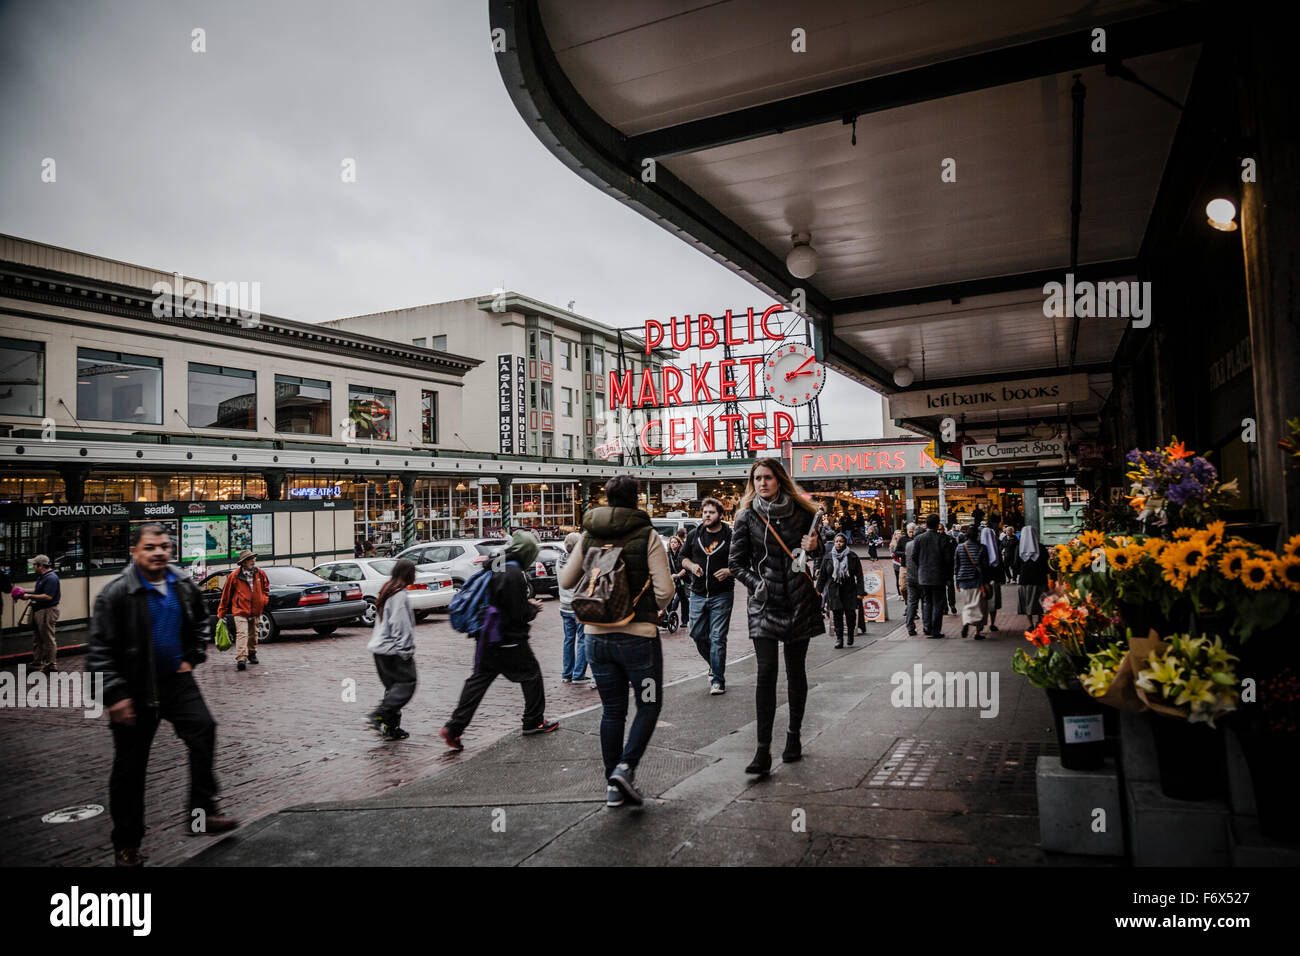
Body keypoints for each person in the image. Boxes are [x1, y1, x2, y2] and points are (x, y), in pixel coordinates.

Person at [87, 523, 238, 867]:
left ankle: (202, 814)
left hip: (175, 682)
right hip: (133, 689)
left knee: (204, 729)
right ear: (135, 552)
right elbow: (98, 651)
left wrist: (192, 656)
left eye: (164, 547)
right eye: (150, 547)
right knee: (130, 769)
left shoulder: (182, 584)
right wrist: (114, 695)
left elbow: (200, 624)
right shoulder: (116, 593)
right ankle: (127, 845)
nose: (159, 553)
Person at [558, 476, 673, 807]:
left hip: (596, 639)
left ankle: (612, 785)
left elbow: (567, 580)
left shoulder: (589, 534)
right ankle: (626, 767)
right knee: (648, 703)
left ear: (606, 499)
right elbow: (665, 592)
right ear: (636, 499)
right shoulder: (647, 535)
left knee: (612, 710)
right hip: (639, 640)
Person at [729, 457, 824, 775]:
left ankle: (794, 737)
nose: (762, 483)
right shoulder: (746, 517)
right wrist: (758, 586)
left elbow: (817, 553)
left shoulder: (803, 513)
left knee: (796, 671)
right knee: (766, 672)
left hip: (798, 600)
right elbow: (737, 563)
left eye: (768, 477)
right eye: (757, 478)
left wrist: (815, 546)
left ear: (779, 480)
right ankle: (762, 751)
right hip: (764, 605)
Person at [441, 530, 559, 751]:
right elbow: (516, 612)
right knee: (531, 675)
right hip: (508, 637)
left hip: (487, 635)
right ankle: (534, 721)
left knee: (478, 681)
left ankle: (454, 728)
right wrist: (532, 608)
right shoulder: (512, 572)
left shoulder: (496, 565)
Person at [681, 497, 734, 695]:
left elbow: (743, 561)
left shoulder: (730, 536)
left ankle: (718, 680)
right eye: (704, 512)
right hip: (697, 594)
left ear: (720, 515)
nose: (707, 516)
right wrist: (692, 565)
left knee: (718, 637)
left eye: (711, 513)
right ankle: (713, 663)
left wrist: (729, 571)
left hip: (722, 594)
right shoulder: (695, 535)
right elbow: (682, 557)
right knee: (696, 633)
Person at [365, 558, 418, 740]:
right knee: (406, 685)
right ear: (408, 574)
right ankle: (380, 714)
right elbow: (400, 624)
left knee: (393, 688)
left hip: (379, 649)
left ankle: (391, 727)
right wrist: (406, 650)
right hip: (393, 650)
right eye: (414, 572)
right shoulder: (399, 595)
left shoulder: (387, 589)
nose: (416, 575)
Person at [216, 549, 269, 672]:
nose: (253, 561)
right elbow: (226, 595)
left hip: (255, 610)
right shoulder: (234, 576)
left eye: (253, 558)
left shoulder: (260, 573)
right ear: (244, 562)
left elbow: (266, 588)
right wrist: (221, 612)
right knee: (242, 634)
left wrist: (263, 600)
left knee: (253, 635)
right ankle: (241, 658)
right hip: (240, 610)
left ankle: (252, 653)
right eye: (250, 559)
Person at [817, 533, 863, 648]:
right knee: (836, 614)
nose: (838, 543)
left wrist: (860, 592)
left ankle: (851, 634)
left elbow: (859, 575)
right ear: (834, 542)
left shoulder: (852, 556)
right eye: (837, 541)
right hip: (834, 590)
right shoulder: (828, 557)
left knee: (850, 614)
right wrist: (818, 590)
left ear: (845, 542)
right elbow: (822, 576)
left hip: (849, 589)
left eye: (841, 541)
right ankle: (839, 639)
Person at [556, 532, 590, 684]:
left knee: (568, 640)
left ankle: (567, 673)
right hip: (578, 605)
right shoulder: (580, 563)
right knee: (582, 640)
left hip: (564, 605)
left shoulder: (559, 560)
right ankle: (578, 674)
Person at [911, 514, 951, 638]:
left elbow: (914, 556)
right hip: (938, 575)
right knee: (938, 602)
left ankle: (927, 626)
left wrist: (922, 566)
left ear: (926, 525)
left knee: (927, 601)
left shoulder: (919, 539)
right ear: (937, 524)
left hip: (923, 575)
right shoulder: (943, 539)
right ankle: (935, 629)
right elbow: (948, 559)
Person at [954, 524, 991, 639]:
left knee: (967, 604)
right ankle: (977, 632)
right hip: (977, 580)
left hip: (963, 580)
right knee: (978, 606)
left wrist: (957, 581)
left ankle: (966, 622)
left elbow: (957, 565)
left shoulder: (960, 547)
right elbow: (985, 566)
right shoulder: (982, 548)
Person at [27, 555, 60, 674]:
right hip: (40, 611)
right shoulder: (43, 577)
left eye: (34, 564)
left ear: (40, 565)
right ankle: (37, 661)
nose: (33, 566)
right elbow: (38, 591)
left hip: (47, 611)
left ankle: (51, 664)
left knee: (48, 638)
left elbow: (48, 596)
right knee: (38, 638)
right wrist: (23, 590)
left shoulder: (51, 578)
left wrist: (29, 596)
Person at [1016, 525, 1050, 629]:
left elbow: (1015, 565)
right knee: (1040, 602)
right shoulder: (1041, 548)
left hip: (1024, 580)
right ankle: (1039, 621)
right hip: (1040, 579)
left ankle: (1030, 624)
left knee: (1027, 603)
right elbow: (1047, 564)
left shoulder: (1019, 548)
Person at [980, 523, 1004, 632]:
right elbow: (1001, 565)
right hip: (994, 579)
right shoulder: (996, 548)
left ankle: (980, 625)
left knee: (982, 604)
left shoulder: (980, 548)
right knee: (993, 604)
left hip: (982, 581)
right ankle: (992, 623)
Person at [666, 535, 691, 628]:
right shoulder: (668, 554)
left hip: (682, 580)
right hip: (672, 580)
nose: (673, 544)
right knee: (668, 599)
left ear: (679, 544)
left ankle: (684, 620)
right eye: (671, 542)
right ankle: (668, 617)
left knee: (684, 600)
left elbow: (685, 569)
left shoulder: (682, 554)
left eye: (675, 542)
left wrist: (677, 575)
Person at [904, 523, 922, 636]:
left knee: (911, 602)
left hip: (910, 577)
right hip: (922, 577)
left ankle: (909, 625)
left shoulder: (908, 545)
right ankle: (927, 626)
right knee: (925, 601)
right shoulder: (922, 545)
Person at [889, 528, 907, 595]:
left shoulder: (904, 542)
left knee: (904, 579)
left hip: (904, 563)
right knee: (898, 579)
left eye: (900, 534)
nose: (899, 535)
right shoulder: (892, 545)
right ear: (895, 535)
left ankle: (904, 592)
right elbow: (892, 555)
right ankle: (899, 594)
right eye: (897, 534)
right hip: (897, 564)